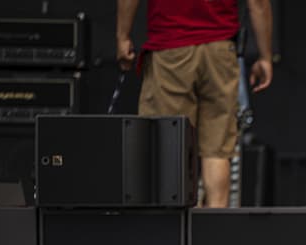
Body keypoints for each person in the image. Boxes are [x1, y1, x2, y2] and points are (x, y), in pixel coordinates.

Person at [116, 0, 273, 208]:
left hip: (171, 47)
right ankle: (214, 231)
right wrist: (265, 57)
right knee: (217, 152)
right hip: (220, 50)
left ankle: (173, 232)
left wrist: (122, 35)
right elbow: (259, 3)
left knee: (169, 145)